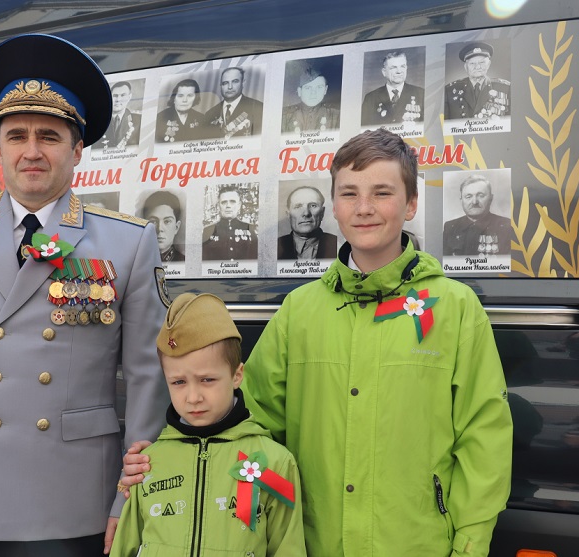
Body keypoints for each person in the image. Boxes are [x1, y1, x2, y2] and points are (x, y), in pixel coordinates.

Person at [122, 129, 513, 557]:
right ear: (335, 207)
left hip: (417, 544)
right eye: (349, 193)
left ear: (411, 203)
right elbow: (246, 421)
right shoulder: (300, 311)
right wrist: (168, 457)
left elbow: (484, 438)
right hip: (312, 543)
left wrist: (469, 546)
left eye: (382, 193)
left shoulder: (456, 308)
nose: (364, 208)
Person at [0, 33, 170, 557]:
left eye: (50, 136)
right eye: (16, 135)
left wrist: (130, 497)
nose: (32, 151)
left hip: (77, 499)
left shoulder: (128, 243)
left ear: (77, 150)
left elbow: (147, 382)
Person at [109, 293, 306, 557]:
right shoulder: (147, 464)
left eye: (207, 380)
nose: (193, 397)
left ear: (237, 375)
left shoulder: (275, 463)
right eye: (178, 382)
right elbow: (126, 546)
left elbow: (288, 547)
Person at [443, 173, 511, 256]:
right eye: (468, 197)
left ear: (491, 198)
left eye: (481, 196)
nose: (474, 202)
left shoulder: (506, 226)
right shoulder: (450, 227)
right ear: (461, 200)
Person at [445, 42, 510, 120]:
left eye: (482, 62)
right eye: (472, 63)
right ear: (466, 67)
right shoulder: (449, 91)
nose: (477, 67)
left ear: (488, 64)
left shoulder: (506, 88)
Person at [361, 50, 424, 125]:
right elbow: (364, 129)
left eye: (402, 66)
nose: (399, 71)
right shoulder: (370, 98)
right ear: (384, 72)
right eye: (393, 68)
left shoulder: (421, 93)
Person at [277, 185, 337, 260]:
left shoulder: (337, 244)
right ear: (288, 215)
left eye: (313, 205)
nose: (306, 213)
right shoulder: (275, 246)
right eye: (298, 206)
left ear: (322, 213)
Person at [204, 67, 264, 138]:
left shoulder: (259, 108)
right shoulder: (209, 114)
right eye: (225, 83)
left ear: (243, 83)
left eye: (235, 81)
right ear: (221, 85)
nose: (230, 87)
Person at [202, 186, 258, 261]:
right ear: (218, 206)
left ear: (239, 205)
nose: (228, 206)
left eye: (232, 202)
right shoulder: (208, 231)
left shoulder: (250, 229)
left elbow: (255, 260)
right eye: (224, 202)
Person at [281, 64, 340, 133]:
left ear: (325, 90)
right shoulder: (284, 116)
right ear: (300, 91)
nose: (313, 93)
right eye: (308, 88)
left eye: (319, 87)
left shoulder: (337, 114)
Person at [155, 78, 208, 143]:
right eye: (180, 96)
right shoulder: (160, 118)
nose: (184, 100)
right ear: (174, 98)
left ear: (195, 98)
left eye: (190, 96)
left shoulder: (201, 118)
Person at [142, 190, 185, 262]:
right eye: (153, 222)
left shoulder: (184, 261)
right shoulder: (137, 262)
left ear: (176, 227)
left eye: (167, 221)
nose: (160, 228)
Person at [99, 81, 141, 149]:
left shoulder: (139, 120)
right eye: (115, 96)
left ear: (129, 97)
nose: (118, 99)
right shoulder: (99, 122)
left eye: (123, 95)